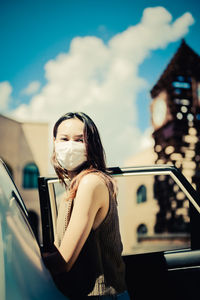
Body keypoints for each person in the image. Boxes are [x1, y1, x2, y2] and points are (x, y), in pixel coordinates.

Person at [42, 112, 130, 300]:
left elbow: (62, 263)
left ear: (92, 145)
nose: (70, 146)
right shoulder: (73, 186)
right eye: (64, 139)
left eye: (79, 140)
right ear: (55, 143)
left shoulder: (91, 183)